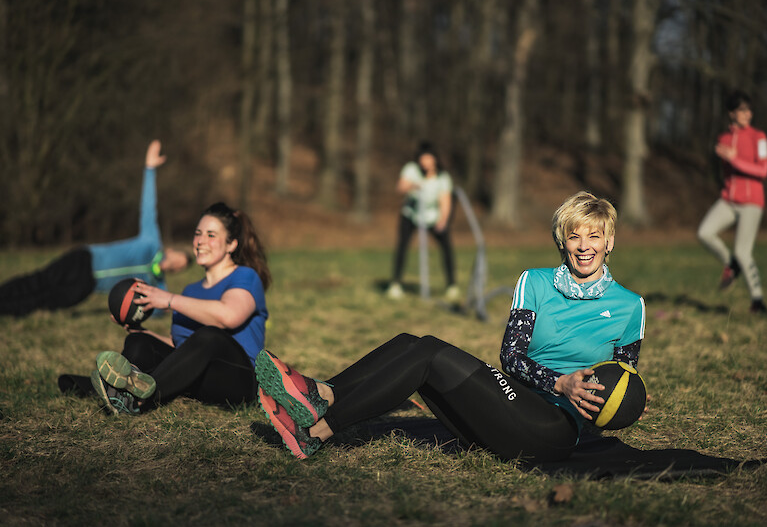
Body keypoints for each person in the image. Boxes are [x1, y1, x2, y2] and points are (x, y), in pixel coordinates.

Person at [255, 191, 647, 461]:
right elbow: (510, 356)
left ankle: (320, 415)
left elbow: (623, 384)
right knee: (413, 342)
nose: (584, 245)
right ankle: (319, 402)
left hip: (553, 429)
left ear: (609, 241)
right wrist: (558, 380)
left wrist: (593, 401)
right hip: (512, 399)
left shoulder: (631, 307)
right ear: (562, 240)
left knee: (427, 352)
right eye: (574, 235)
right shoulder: (535, 282)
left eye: (594, 236)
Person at [82, 201, 271, 415]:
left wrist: (169, 299)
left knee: (209, 335)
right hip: (201, 378)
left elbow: (228, 316)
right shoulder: (190, 291)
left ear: (231, 245)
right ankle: (118, 389)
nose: (200, 241)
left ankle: (140, 399)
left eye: (211, 235)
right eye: (198, 233)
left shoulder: (245, 276)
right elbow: (182, 347)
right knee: (139, 342)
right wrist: (139, 331)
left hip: (240, 381)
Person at [0, 140, 191, 317]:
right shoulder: (151, 242)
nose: (174, 265)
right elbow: (148, 207)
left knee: (46, 301)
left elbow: (157, 308)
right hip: (84, 260)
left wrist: (174, 307)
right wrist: (149, 169)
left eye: (177, 268)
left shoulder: (155, 284)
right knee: (40, 281)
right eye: (177, 260)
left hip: (87, 286)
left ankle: (6, 311)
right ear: (171, 251)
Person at [697, 90, 767, 314]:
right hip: (729, 199)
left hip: (752, 201)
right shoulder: (723, 139)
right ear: (731, 113)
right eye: (742, 110)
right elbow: (722, 171)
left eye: (749, 109)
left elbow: (763, 170)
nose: (747, 114)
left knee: (743, 251)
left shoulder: (759, 137)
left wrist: (734, 159)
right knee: (704, 232)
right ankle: (732, 264)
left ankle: (758, 301)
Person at [386, 141, 458, 302]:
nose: (424, 163)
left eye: (428, 159)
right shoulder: (412, 170)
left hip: (433, 216)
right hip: (411, 214)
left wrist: (443, 221)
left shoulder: (442, 177)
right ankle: (396, 284)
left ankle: (451, 285)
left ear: (435, 160)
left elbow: (445, 201)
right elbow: (401, 187)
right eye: (422, 159)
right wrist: (412, 185)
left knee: (446, 247)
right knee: (402, 247)